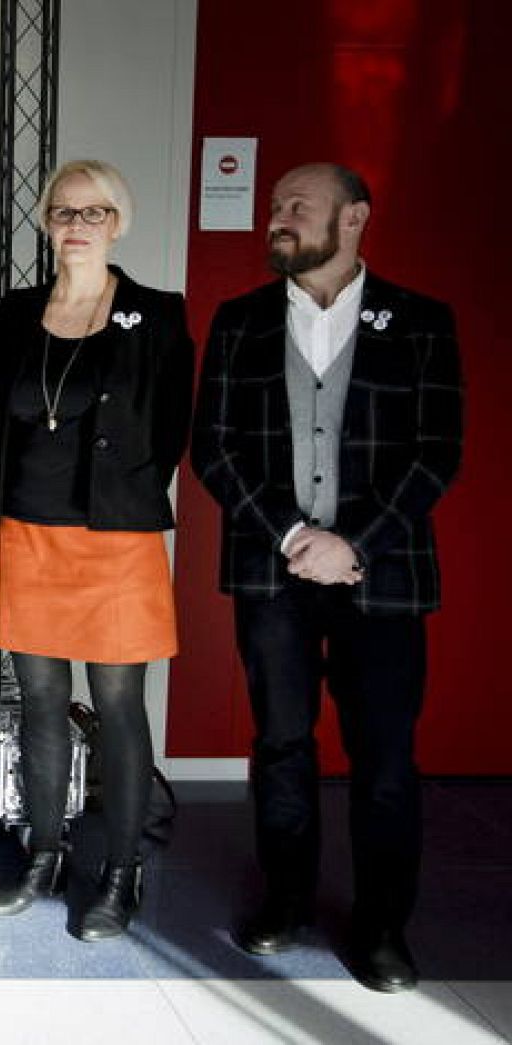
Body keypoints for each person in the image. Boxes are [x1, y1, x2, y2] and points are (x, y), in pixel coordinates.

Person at [191, 162, 462, 992]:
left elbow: (435, 455)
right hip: (273, 572)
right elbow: (215, 449)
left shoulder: (419, 322)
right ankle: (287, 900)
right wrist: (296, 531)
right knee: (280, 745)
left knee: (383, 757)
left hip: (381, 579)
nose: (277, 218)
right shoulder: (239, 322)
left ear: (353, 219)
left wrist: (356, 543)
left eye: (297, 207)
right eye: (275, 206)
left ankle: (383, 928)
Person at [0, 160, 193, 940]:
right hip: (28, 531)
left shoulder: (157, 314)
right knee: (38, 701)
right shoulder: (18, 310)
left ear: (118, 222)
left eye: (95, 211)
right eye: (65, 211)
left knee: (118, 706)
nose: (77, 224)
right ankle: (45, 852)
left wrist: (124, 499)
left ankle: (122, 870)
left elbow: (171, 430)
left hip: (116, 542)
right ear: (46, 220)